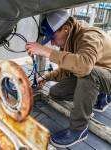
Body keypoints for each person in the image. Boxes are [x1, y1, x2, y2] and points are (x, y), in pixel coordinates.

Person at [25, 9, 111, 148]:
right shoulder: (70, 38)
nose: (52, 43)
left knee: (89, 73)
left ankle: (79, 129)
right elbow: (68, 68)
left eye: (52, 38)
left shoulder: (89, 36)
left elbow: (83, 66)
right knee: (55, 93)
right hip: (95, 73)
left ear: (65, 29)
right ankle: (100, 94)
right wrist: (46, 78)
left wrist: (45, 51)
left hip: (107, 75)